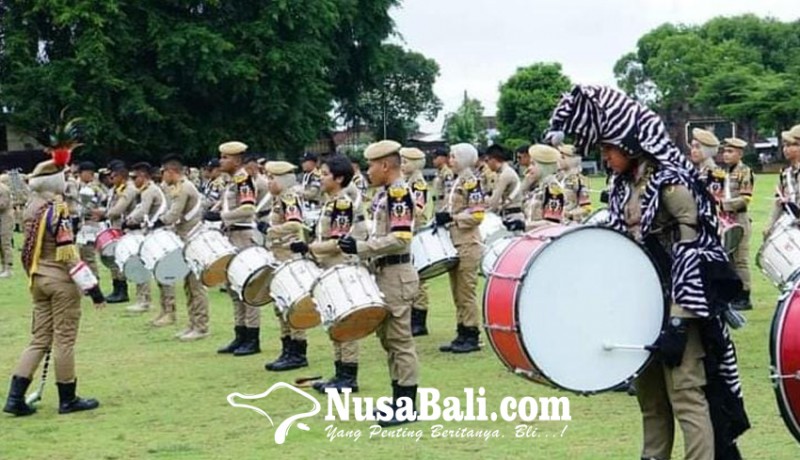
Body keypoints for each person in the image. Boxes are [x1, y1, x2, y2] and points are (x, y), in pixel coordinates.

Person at [546, 84, 749, 460]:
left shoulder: (671, 183)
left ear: (632, 144)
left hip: (680, 305)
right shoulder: (622, 186)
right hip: (639, 307)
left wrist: (677, 321)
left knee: (686, 394)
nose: (604, 157)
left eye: (609, 148)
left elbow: (696, 250)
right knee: (650, 397)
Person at [3, 159, 105, 417]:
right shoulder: (56, 209)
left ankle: (15, 398)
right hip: (60, 280)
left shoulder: (30, 207)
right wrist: (92, 288)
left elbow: (27, 250)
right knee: (64, 340)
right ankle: (68, 398)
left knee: (39, 340)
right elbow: (69, 253)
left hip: (38, 277)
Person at [337, 140, 420, 426]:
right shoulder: (385, 195)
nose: (368, 170)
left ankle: (407, 405)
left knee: (399, 341)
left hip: (396, 274)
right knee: (388, 340)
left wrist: (362, 248)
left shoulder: (398, 194)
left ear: (385, 165)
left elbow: (400, 239)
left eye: (371, 165)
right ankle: (398, 398)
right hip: (385, 273)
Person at [291, 154, 367, 392]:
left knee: (345, 320)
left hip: (340, 267)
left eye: (325, 174)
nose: (321, 179)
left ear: (340, 178)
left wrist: (309, 247)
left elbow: (338, 242)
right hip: (329, 267)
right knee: (333, 319)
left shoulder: (342, 203)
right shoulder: (331, 201)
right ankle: (339, 372)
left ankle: (348, 375)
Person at [207, 141, 262, 356]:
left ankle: (252, 337)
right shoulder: (231, 181)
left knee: (247, 288)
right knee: (233, 289)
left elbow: (248, 208)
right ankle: (240, 334)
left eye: (225, 158)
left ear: (237, 159)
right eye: (221, 157)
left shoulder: (242, 178)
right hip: (231, 235)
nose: (221, 161)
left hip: (242, 236)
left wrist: (221, 216)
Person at [153, 155, 210, 339]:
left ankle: (201, 326)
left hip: (192, 238)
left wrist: (157, 223)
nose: (162, 176)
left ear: (172, 172)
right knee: (188, 284)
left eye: (164, 172)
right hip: (185, 238)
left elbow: (173, 214)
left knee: (196, 285)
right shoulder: (179, 186)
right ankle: (193, 323)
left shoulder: (184, 188)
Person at [436, 143, 485, 354]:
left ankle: (471, 334)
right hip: (454, 242)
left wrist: (453, 218)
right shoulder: (456, 182)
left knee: (466, 291)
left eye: (454, 156)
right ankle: (462, 331)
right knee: (457, 291)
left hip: (467, 242)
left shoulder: (471, 182)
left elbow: (477, 215)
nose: (450, 160)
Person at [263, 161, 310, 371]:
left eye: (271, 177)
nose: (268, 182)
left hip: (288, 256)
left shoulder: (290, 197)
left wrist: (270, 230)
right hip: (278, 256)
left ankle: (297, 351)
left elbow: (295, 223)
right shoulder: (279, 198)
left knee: (290, 304)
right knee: (280, 305)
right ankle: (287, 348)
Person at [124, 162, 174, 314]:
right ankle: (147, 301)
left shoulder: (149, 191)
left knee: (144, 264)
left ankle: (145, 301)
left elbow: (142, 212)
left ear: (143, 176)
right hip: (152, 231)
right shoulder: (148, 190)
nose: (133, 181)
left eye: (135, 177)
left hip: (155, 232)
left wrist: (129, 221)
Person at [92, 162, 137, 303]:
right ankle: (116, 288)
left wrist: (104, 214)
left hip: (126, 228)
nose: (110, 179)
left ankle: (122, 291)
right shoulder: (115, 189)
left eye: (112, 176)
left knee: (120, 260)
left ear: (120, 175)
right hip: (114, 227)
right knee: (113, 259)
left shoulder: (129, 189)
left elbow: (118, 209)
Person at [400, 147, 432, 336]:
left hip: (416, 232)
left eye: (405, 162)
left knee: (419, 278)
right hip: (409, 232)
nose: (402, 165)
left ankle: (419, 320)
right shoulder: (408, 182)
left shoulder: (417, 184)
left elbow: (418, 208)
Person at [720, 138, 753, 311]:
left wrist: (723, 205)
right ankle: (734, 295)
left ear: (740, 154)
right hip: (726, 221)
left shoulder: (744, 171)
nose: (726, 154)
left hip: (739, 219)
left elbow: (745, 199)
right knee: (729, 260)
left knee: (740, 260)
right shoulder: (724, 172)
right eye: (725, 151)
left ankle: (745, 296)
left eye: (730, 151)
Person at [767, 125, 800, 231]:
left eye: (791, 145)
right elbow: (778, 202)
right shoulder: (785, 174)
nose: (786, 149)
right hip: (792, 226)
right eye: (785, 145)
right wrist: (770, 226)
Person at [484, 144, 524, 222]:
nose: (486, 164)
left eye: (487, 160)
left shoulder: (505, 174)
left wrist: (484, 199)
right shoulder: (505, 172)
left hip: (512, 217)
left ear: (493, 159)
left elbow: (493, 203)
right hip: (511, 215)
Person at [557, 144, 592, 223]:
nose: (558, 160)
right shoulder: (559, 178)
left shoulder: (578, 181)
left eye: (563, 157)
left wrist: (568, 214)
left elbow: (586, 208)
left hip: (572, 225)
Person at [431, 147, 455, 215]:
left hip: (443, 205)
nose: (433, 160)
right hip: (437, 204)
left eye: (435, 157)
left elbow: (448, 192)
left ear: (443, 158)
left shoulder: (447, 173)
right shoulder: (439, 172)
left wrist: (445, 209)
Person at [0, 174, 13, 278]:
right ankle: (3, 267)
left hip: (5, 219)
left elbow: (3, 204)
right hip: (2, 219)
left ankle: (8, 269)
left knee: (5, 243)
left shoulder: (3, 189)